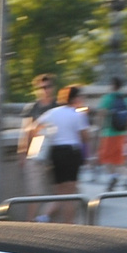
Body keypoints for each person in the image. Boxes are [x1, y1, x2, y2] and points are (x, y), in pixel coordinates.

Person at [33, 84, 92, 223]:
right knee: (70, 195)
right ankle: (68, 225)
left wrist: (47, 135)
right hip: (71, 153)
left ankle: (43, 216)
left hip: (56, 153)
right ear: (75, 98)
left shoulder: (53, 112)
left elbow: (35, 126)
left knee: (59, 192)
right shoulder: (77, 115)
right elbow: (85, 137)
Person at [18, 74, 59, 196]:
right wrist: (22, 154)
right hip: (36, 150)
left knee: (57, 191)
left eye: (48, 87)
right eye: (41, 87)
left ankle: (44, 215)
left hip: (54, 149)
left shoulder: (58, 106)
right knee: (34, 191)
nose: (45, 90)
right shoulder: (32, 108)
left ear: (53, 88)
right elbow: (25, 132)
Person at [97, 77, 127, 190]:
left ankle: (113, 176)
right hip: (123, 133)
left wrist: (98, 128)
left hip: (109, 133)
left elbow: (101, 113)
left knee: (106, 158)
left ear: (112, 85)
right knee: (119, 159)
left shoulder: (108, 98)